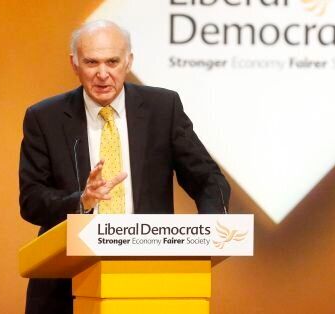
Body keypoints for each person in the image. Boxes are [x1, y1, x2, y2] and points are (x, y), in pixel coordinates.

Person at [18, 20, 230, 314]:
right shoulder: (45, 118)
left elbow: (206, 177)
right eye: (91, 62)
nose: (103, 74)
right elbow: (31, 201)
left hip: (151, 281)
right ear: (74, 63)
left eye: (112, 62)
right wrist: (81, 201)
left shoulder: (162, 108)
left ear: (128, 61)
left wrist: (212, 229)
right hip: (66, 287)